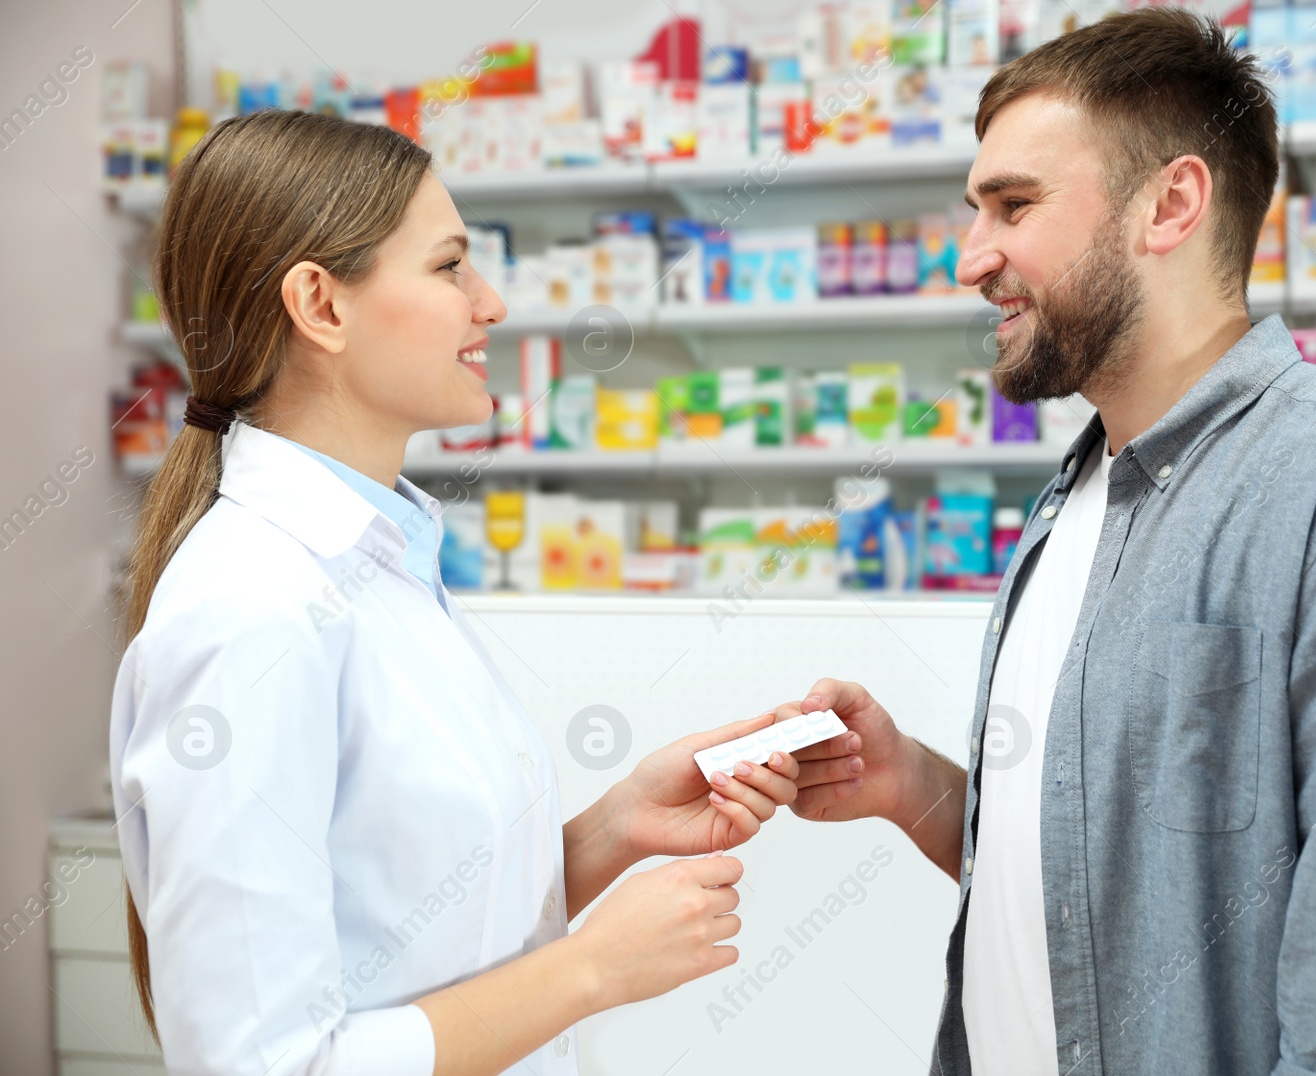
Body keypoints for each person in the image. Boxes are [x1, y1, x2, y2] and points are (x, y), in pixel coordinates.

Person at [774, 9, 1316, 1074]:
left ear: (1169, 204)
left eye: (1013, 206)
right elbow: (1104, 880)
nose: (968, 257)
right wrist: (910, 782)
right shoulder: (1076, 493)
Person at [109, 109, 800, 1076]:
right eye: (449, 267)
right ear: (322, 304)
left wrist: (614, 828)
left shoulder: (377, 559)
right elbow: (266, 1064)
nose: (492, 304)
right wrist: (594, 969)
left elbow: (409, 917)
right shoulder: (252, 610)